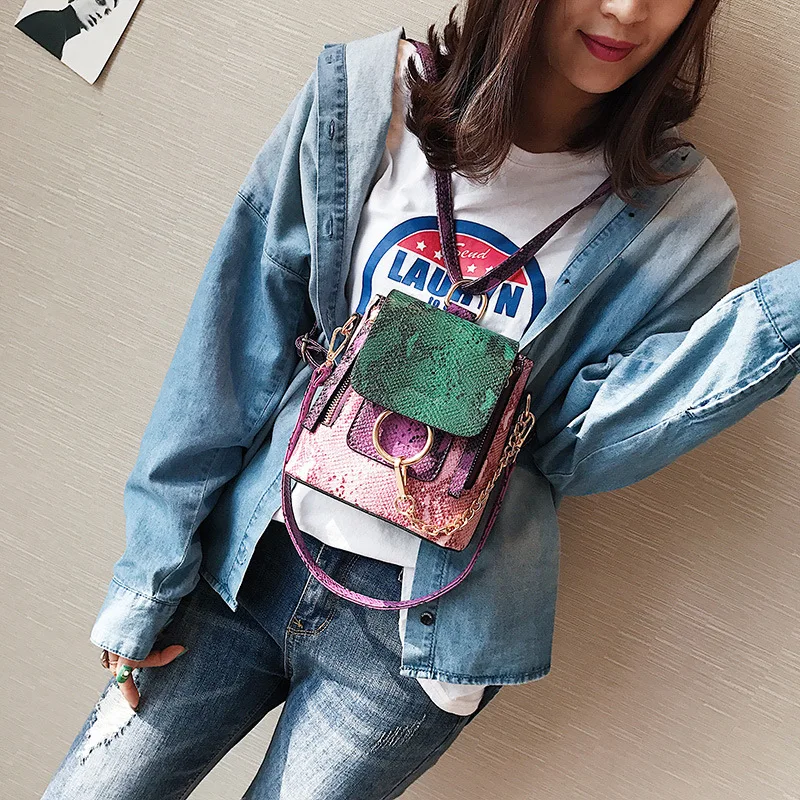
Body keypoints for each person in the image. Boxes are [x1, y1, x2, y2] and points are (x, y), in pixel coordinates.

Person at [41, 2, 799, 798]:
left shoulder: (679, 213)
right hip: (245, 563)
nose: (626, 10)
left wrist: (777, 322)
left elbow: (579, 449)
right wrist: (150, 570)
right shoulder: (370, 100)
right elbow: (231, 346)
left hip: (416, 644)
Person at [15, 0, 120, 60]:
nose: (101, 13)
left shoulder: (55, 23)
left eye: (107, 12)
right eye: (99, 1)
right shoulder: (54, 27)